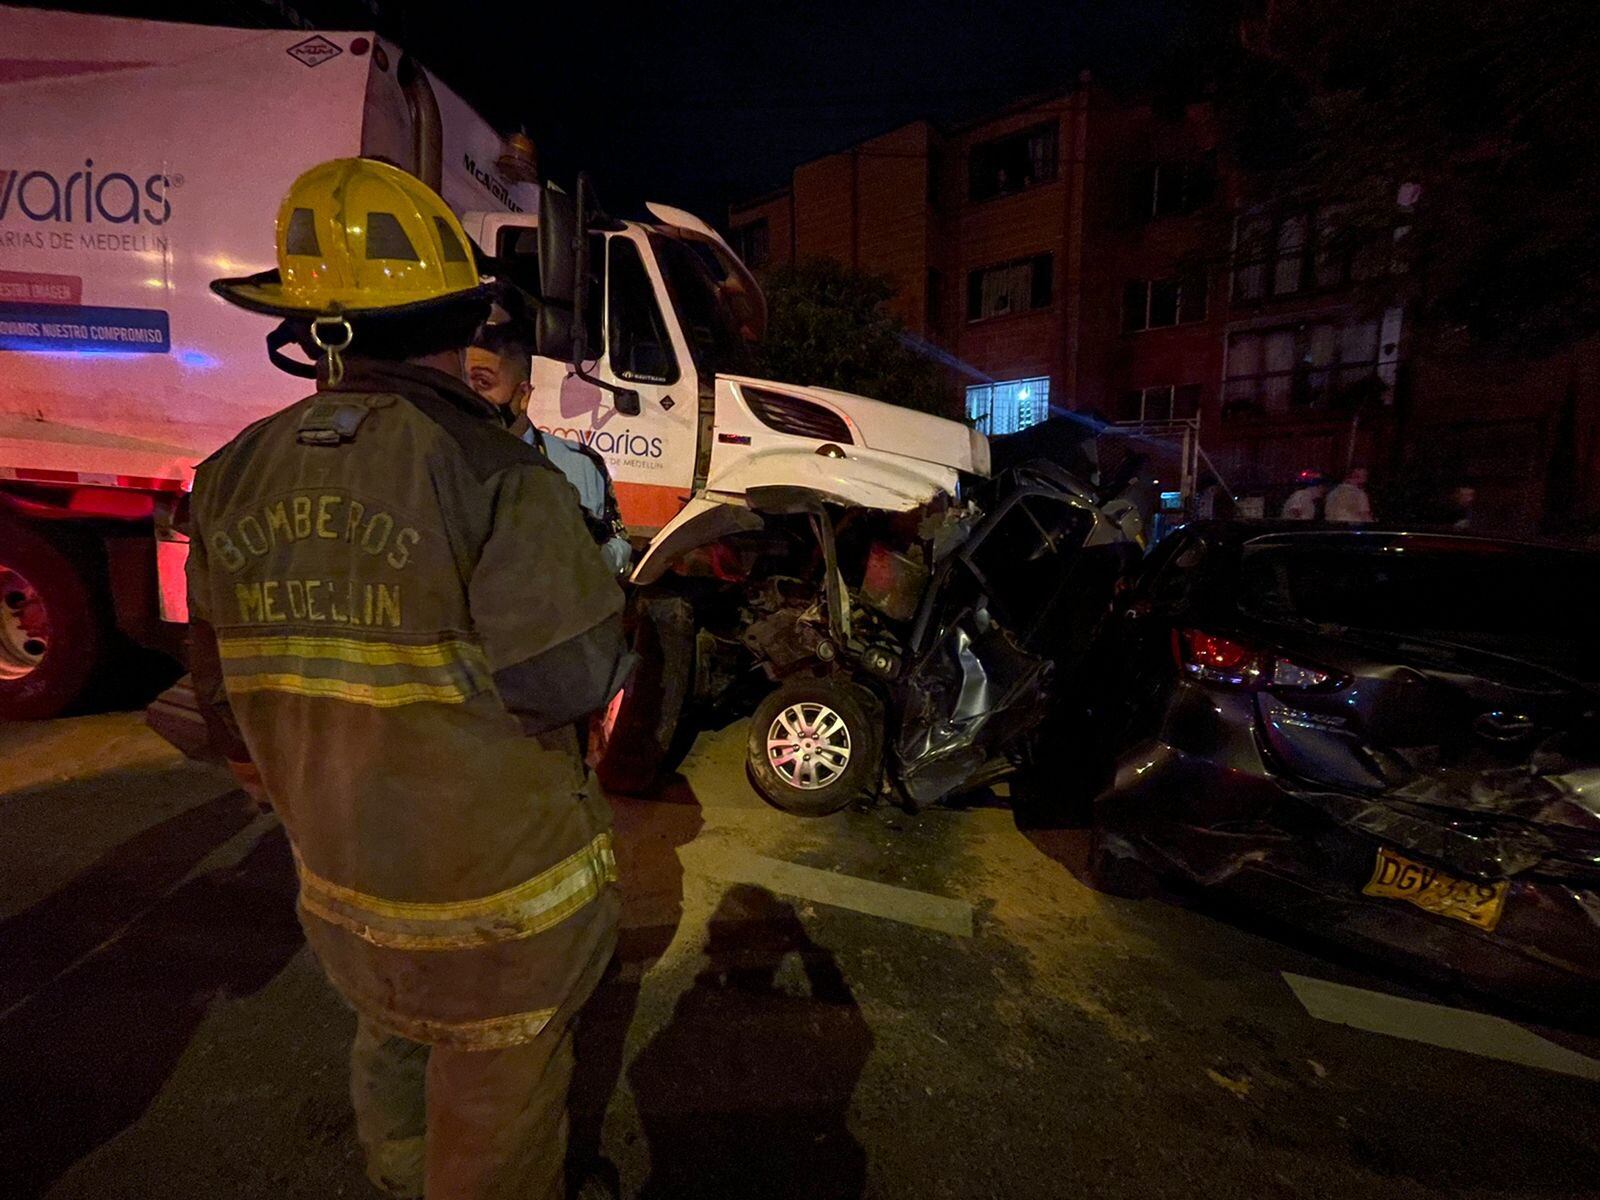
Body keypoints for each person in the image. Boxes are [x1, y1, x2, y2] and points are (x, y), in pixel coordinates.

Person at [195, 158, 628, 1200]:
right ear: (460, 316)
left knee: (390, 1045)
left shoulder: (228, 474)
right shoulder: (492, 472)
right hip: (497, 910)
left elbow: (223, 698)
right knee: (495, 1107)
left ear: (309, 327)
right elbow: (568, 676)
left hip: (346, 895)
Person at [467, 310, 632, 576]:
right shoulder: (437, 456)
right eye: (463, 383)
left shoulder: (577, 466)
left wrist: (592, 558)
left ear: (523, 395)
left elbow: (618, 546)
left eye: (483, 382)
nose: (469, 396)